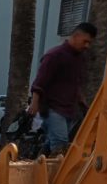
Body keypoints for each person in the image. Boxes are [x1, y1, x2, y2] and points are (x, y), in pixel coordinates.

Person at [28, 22, 97, 155]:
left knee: (51, 143)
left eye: (90, 43)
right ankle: (54, 174)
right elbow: (40, 82)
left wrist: (83, 104)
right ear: (76, 36)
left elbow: (75, 84)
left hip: (69, 109)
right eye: (85, 41)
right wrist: (34, 103)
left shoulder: (80, 59)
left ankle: (36, 163)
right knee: (60, 143)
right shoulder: (54, 55)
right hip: (52, 108)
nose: (87, 46)